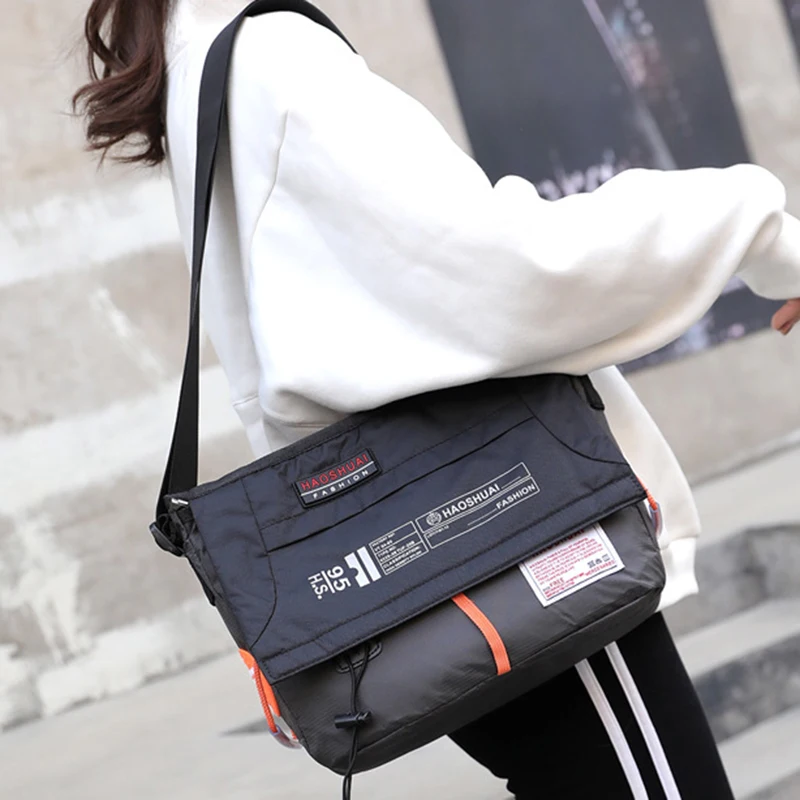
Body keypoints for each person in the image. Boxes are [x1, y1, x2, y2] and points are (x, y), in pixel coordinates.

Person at [75, 2, 800, 797]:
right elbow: (509, 276)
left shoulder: (208, 56)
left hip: (440, 564)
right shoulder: (273, 55)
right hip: (514, 540)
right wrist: (761, 229)